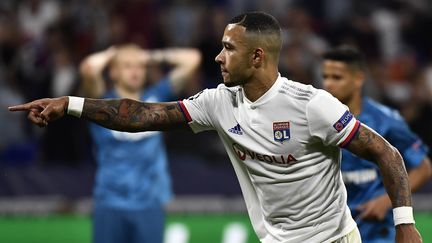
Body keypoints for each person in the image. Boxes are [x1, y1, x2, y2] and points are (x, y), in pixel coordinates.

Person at [9, 12, 423, 243]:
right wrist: (71, 104)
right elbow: (141, 115)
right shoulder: (218, 103)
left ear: (257, 56)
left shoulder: (311, 105)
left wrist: (405, 223)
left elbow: (385, 152)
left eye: (229, 49)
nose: (218, 58)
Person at [79, 45, 201, 243]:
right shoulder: (100, 106)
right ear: (113, 71)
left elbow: (193, 59)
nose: (135, 71)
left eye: (140, 66)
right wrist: (113, 54)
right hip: (110, 203)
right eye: (127, 66)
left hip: (149, 205)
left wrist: (150, 55)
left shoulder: (156, 100)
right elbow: (88, 68)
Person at [321, 46, 431, 243]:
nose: (328, 84)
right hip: (332, 230)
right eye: (325, 77)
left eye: (337, 78)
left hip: (376, 230)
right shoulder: (316, 120)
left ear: (358, 79)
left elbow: (423, 168)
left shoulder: (385, 121)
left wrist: (386, 201)